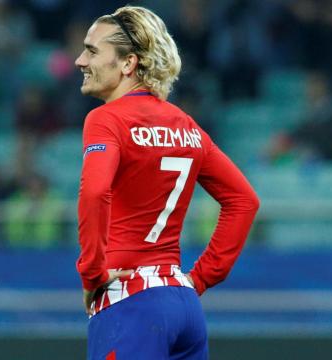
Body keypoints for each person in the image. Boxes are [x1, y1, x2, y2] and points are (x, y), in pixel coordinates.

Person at [74, 6, 259, 359]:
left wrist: (93, 273)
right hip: (183, 303)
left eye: (93, 50)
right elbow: (245, 201)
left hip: (129, 303)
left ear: (128, 63)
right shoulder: (185, 125)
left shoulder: (105, 120)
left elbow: (95, 192)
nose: (80, 60)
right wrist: (201, 279)